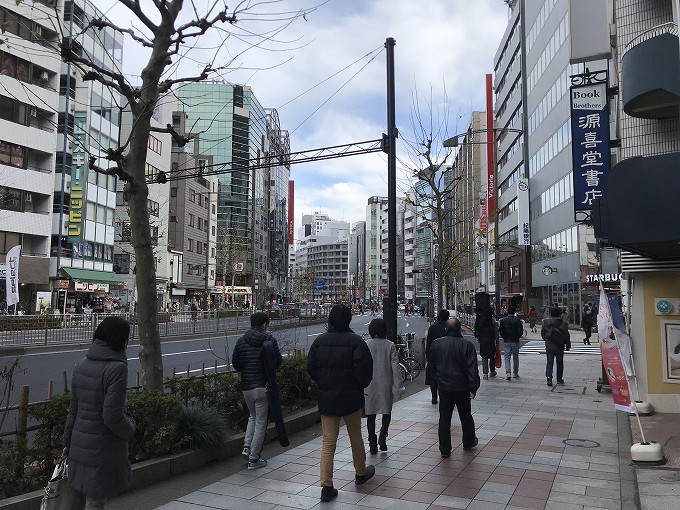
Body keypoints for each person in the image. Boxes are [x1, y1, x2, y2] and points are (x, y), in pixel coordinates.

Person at [63, 316, 135, 509]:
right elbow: (112, 416)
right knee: (95, 501)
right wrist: (130, 429)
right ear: (120, 339)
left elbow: (73, 410)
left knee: (79, 499)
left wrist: (67, 442)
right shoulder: (117, 369)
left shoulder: (82, 364)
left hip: (79, 445)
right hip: (101, 448)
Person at [307, 304, 375, 503]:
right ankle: (361, 473)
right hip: (351, 398)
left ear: (329, 320)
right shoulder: (356, 342)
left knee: (328, 442)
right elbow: (364, 372)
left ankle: (326, 486)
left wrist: (325, 382)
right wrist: (357, 385)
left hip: (328, 399)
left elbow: (311, 368)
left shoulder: (319, 342)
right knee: (356, 436)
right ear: (348, 320)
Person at [231, 311, 282, 469]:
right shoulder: (269, 340)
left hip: (246, 386)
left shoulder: (241, 341)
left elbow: (236, 364)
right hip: (262, 386)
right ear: (264, 325)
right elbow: (277, 361)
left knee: (252, 417)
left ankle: (247, 447)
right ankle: (254, 458)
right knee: (261, 421)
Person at [427, 318, 480, 456]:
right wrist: (473, 388)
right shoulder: (467, 345)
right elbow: (472, 369)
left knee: (444, 418)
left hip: (444, 388)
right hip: (462, 387)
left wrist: (437, 381)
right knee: (466, 416)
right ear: (460, 329)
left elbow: (431, 366)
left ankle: (445, 449)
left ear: (446, 329)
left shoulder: (436, 344)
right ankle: (468, 442)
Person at [364, 318, 405, 454]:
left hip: (369, 383)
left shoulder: (366, 344)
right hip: (385, 383)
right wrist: (398, 386)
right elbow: (395, 367)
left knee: (370, 413)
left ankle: (372, 441)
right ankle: (383, 437)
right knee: (386, 411)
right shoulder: (390, 345)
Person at [541, 306, 571, 386]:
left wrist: (547, 340)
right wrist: (568, 344)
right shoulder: (562, 323)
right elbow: (566, 335)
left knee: (549, 362)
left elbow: (543, 334)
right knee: (559, 362)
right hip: (559, 345)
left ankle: (549, 377)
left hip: (549, 345)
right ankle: (559, 379)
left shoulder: (545, 322)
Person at [426, 309, 450, 404]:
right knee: (445, 376)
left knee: (433, 377)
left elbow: (428, 343)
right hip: (447, 356)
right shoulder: (449, 327)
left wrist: (427, 355)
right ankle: (444, 396)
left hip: (434, 356)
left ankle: (434, 397)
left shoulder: (433, 328)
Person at [474, 292, 498, 380]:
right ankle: (492, 370)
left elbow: (476, 329)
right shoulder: (490, 317)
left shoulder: (479, 316)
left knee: (484, 355)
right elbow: (495, 329)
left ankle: (485, 373)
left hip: (482, 337)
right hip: (490, 337)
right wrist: (497, 340)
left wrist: (477, 336)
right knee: (492, 354)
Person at [499, 305, 524, 380]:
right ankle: (515, 373)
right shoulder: (517, 321)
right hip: (515, 341)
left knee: (507, 357)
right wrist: (517, 337)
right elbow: (520, 331)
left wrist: (504, 337)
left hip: (507, 340)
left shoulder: (503, 321)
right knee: (515, 357)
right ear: (514, 312)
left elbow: (501, 331)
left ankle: (508, 372)